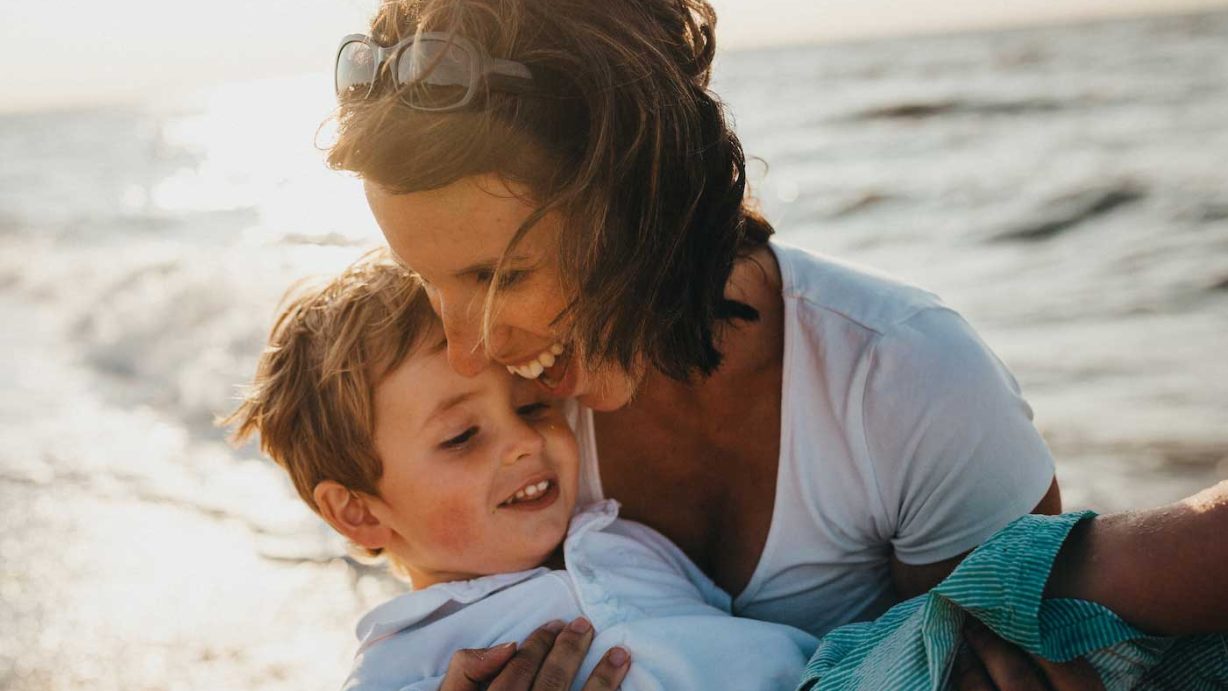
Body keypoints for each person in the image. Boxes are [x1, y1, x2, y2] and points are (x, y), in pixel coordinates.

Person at [326, 0, 1066, 688]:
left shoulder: (905, 381)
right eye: (425, 278)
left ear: (643, 203)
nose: (465, 347)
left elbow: (1031, 666)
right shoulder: (504, 428)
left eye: (500, 275)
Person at [224, 249, 819, 690]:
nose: (523, 442)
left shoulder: (628, 537)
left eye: (533, 405)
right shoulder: (403, 663)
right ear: (358, 510)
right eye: (461, 437)